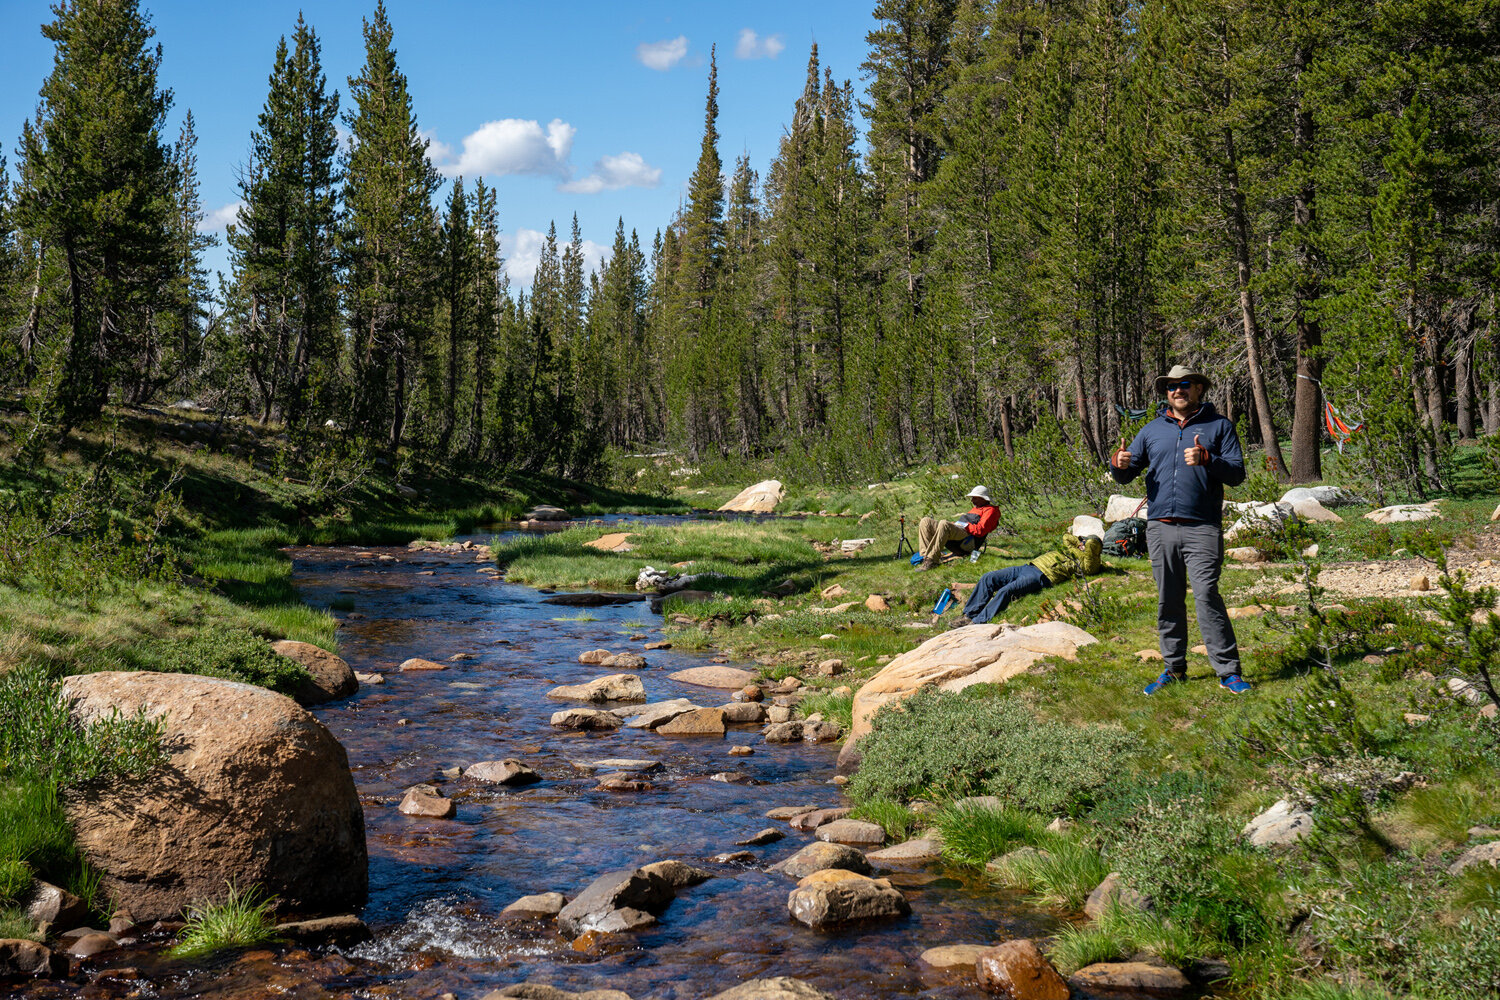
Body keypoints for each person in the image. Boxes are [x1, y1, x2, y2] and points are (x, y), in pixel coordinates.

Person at [1111, 365, 1251, 695]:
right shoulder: (1151, 430)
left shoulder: (1220, 427)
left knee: (1206, 596)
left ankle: (1228, 671)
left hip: (1202, 526)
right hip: (1160, 527)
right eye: (1171, 386)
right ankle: (1174, 669)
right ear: (1166, 393)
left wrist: (1208, 459)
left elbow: (1236, 475)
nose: (1178, 391)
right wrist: (1117, 465)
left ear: (1199, 388)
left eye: (1185, 384)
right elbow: (1127, 473)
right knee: (1168, 600)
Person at [950, 533, 1103, 626]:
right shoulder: (1073, 548)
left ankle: (978, 622)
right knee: (988, 577)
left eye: (1086, 543)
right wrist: (1079, 542)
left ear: (1094, 547)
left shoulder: (1090, 562)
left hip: (1041, 576)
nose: (1083, 544)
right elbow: (1066, 537)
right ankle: (969, 614)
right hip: (1028, 566)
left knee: (1006, 591)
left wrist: (1090, 544)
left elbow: (1091, 563)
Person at [914, 486, 1000, 571]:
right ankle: (925, 557)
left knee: (944, 524)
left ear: (983, 498)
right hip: (961, 533)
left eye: (975, 498)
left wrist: (964, 525)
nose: (972, 500)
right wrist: (955, 524)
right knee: (925, 521)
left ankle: (931, 561)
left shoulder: (990, 510)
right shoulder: (976, 508)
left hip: (968, 540)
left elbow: (980, 530)